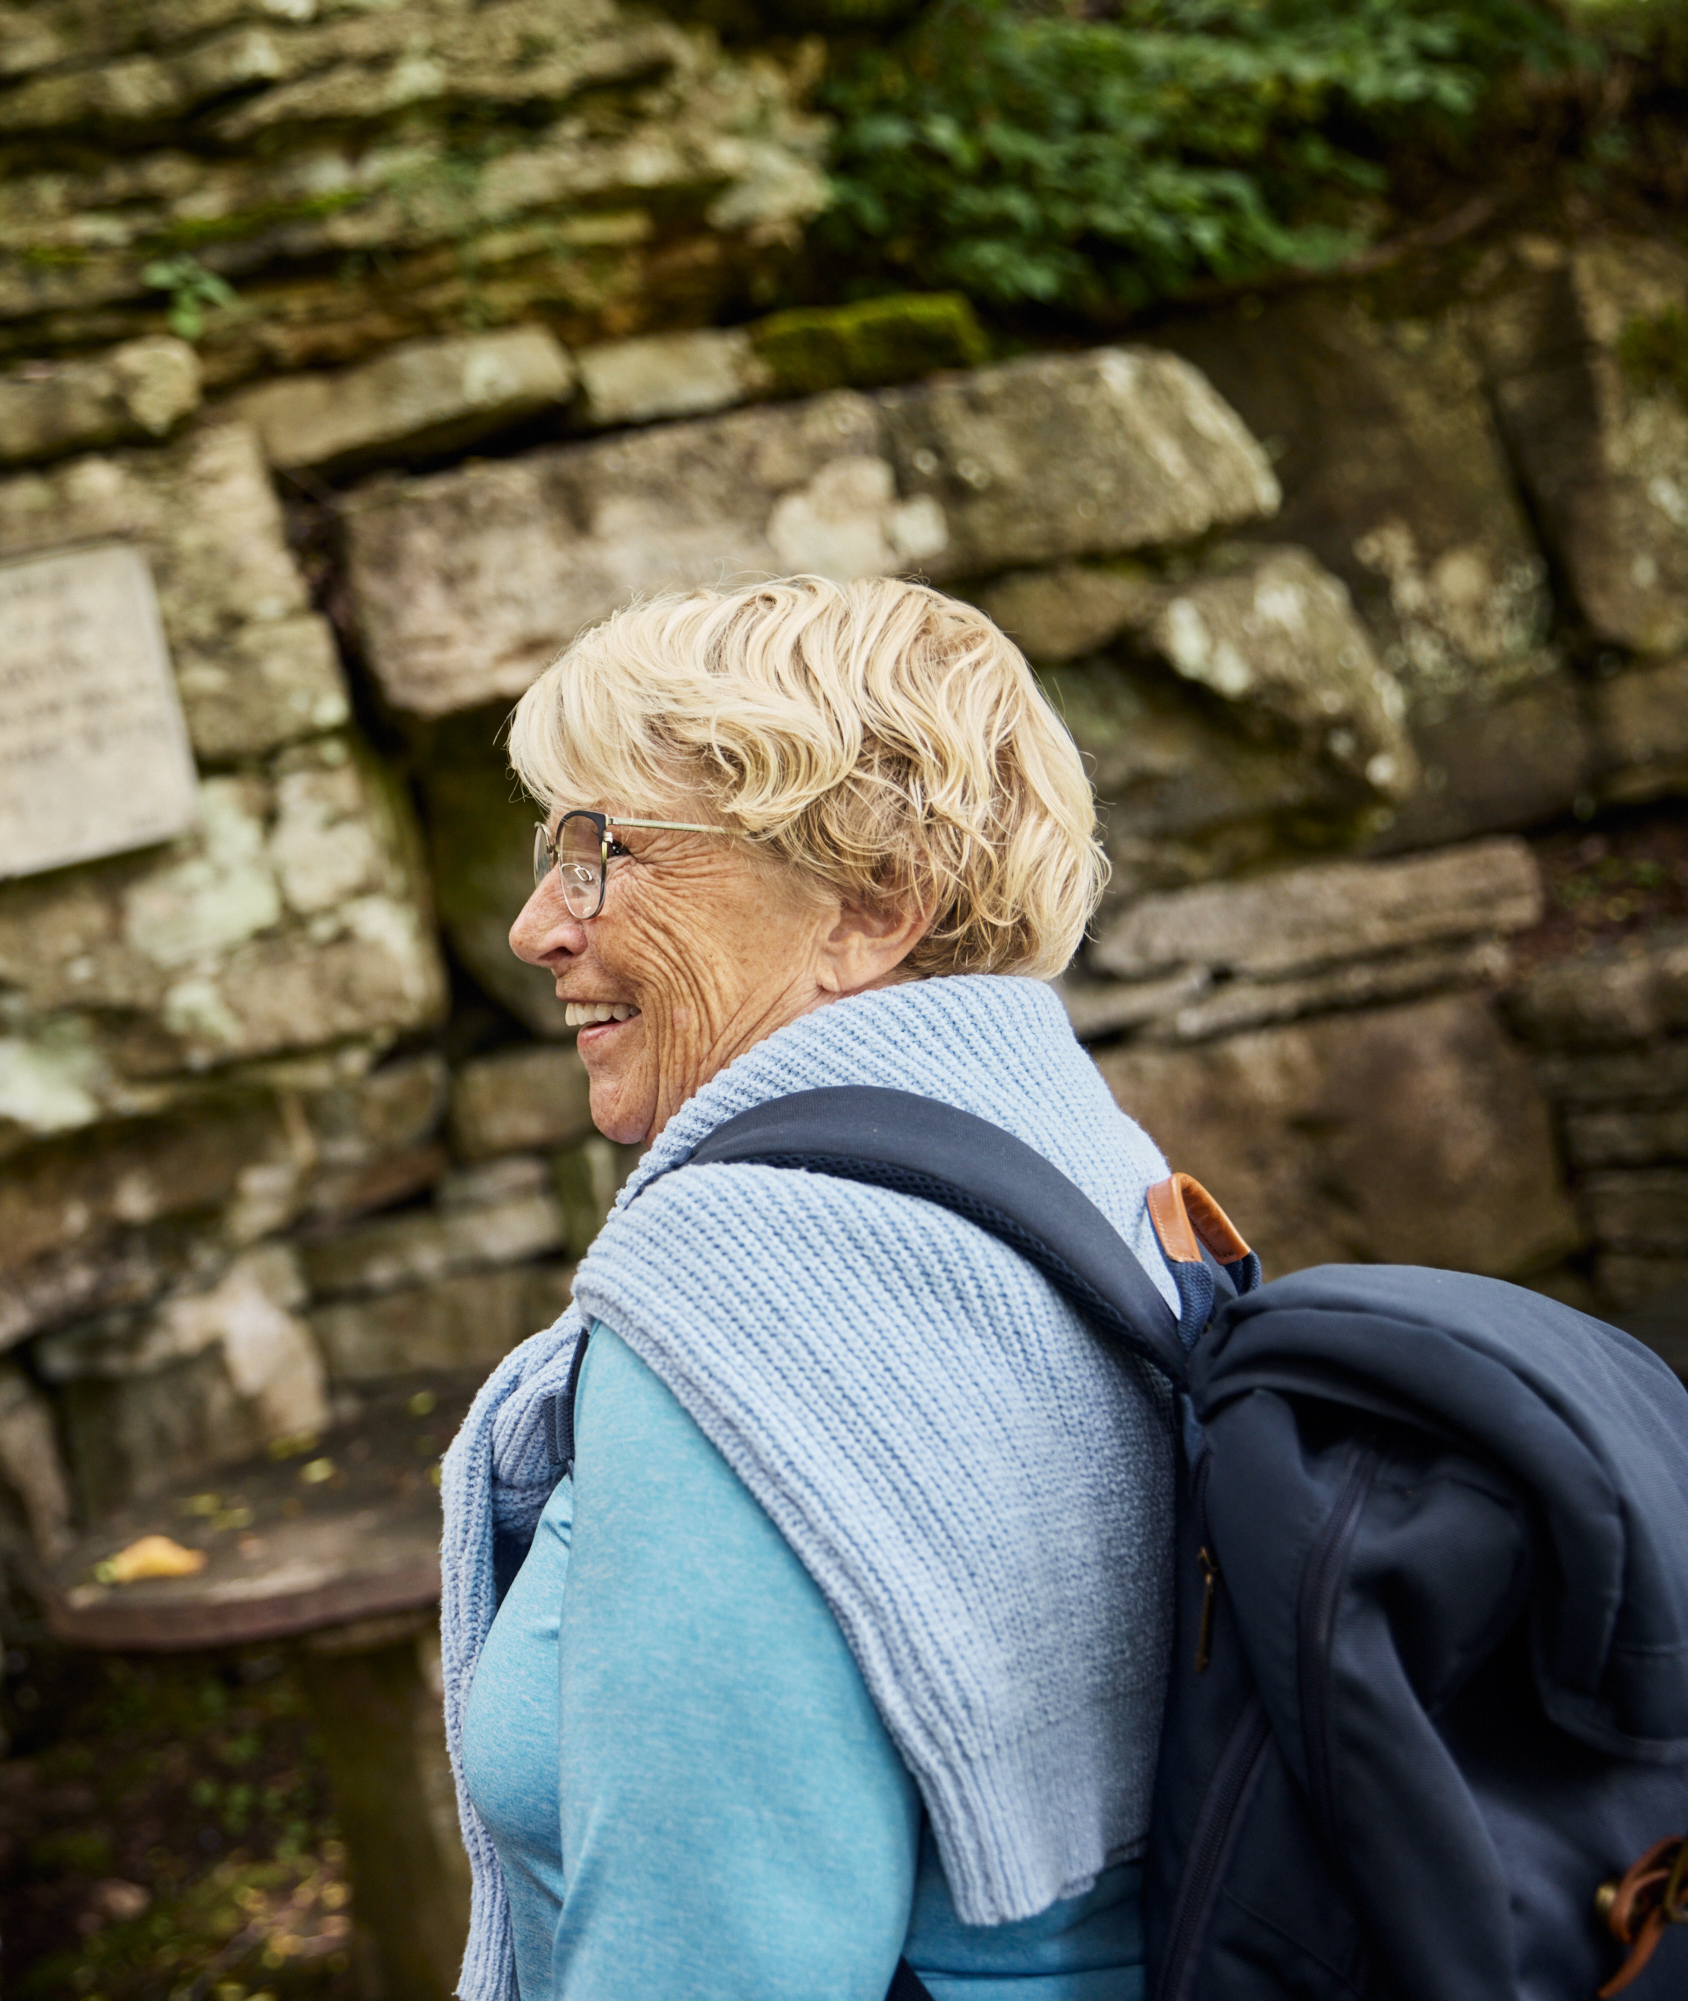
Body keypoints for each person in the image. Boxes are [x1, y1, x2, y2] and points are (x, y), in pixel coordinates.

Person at [440, 577, 1173, 2001]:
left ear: (870, 906)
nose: (539, 924)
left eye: (605, 851)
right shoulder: (1087, 1168)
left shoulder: (751, 1299)